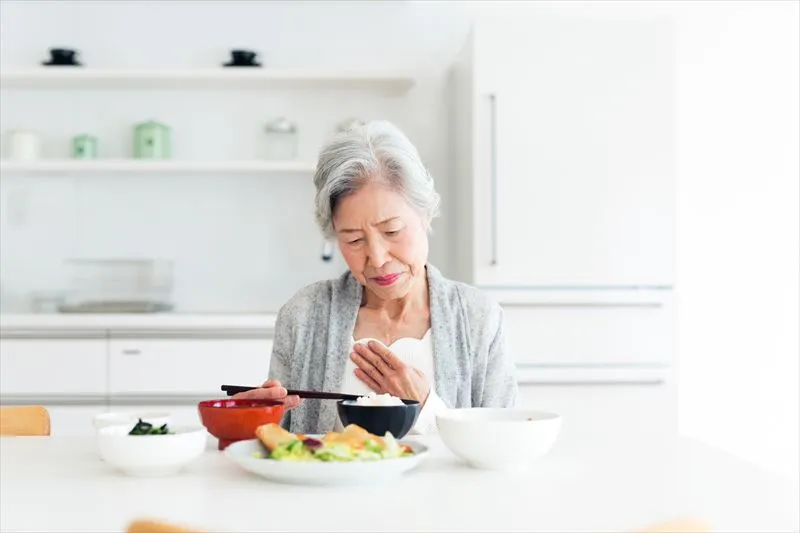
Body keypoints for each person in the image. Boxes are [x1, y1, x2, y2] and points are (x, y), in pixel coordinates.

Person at [234, 120, 518, 434]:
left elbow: (503, 443)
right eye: (354, 240)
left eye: (392, 231)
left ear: (425, 213)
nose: (378, 259)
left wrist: (425, 406)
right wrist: (253, 422)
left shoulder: (479, 317)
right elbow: (281, 443)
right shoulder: (304, 314)